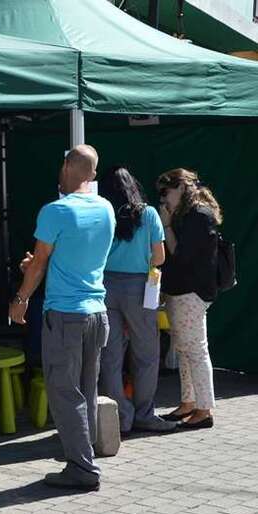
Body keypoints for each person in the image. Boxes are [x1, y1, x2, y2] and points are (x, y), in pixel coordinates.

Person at [10, 145, 115, 491]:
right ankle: (84, 455)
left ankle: (82, 468)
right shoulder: (106, 208)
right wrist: (40, 265)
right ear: (93, 174)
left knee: (64, 392)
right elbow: (77, 256)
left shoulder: (55, 211)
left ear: (66, 165)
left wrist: (21, 299)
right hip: (97, 313)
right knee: (85, 389)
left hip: (66, 315)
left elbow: (39, 262)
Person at [98, 167, 177, 434]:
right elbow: (159, 257)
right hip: (139, 288)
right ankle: (144, 414)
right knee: (146, 353)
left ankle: (120, 416)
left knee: (110, 355)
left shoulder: (103, 213)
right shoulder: (149, 213)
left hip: (105, 286)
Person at [156, 169, 221, 430]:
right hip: (183, 290)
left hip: (191, 292)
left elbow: (180, 255)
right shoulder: (190, 214)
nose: (163, 199)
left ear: (182, 187)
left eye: (166, 192)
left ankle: (204, 410)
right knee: (184, 349)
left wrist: (167, 225)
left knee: (195, 349)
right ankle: (189, 403)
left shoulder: (198, 215)